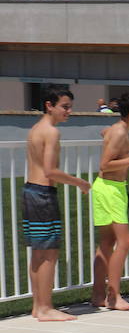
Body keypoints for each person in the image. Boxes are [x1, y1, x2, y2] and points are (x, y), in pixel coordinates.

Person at [23, 84, 92, 321]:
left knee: (38, 253)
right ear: (49, 105)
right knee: (50, 253)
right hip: (43, 194)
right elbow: (51, 171)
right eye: (65, 107)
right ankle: (45, 308)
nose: (68, 111)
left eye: (70, 107)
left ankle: (37, 306)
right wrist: (79, 182)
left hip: (31, 191)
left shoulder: (34, 129)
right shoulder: (51, 132)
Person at [91, 92, 129, 311]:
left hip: (109, 188)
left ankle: (98, 295)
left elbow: (110, 140)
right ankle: (113, 296)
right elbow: (105, 165)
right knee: (124, 242)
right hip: (109, 189)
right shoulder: (119, 132)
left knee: (107, 243)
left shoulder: (118, 130)